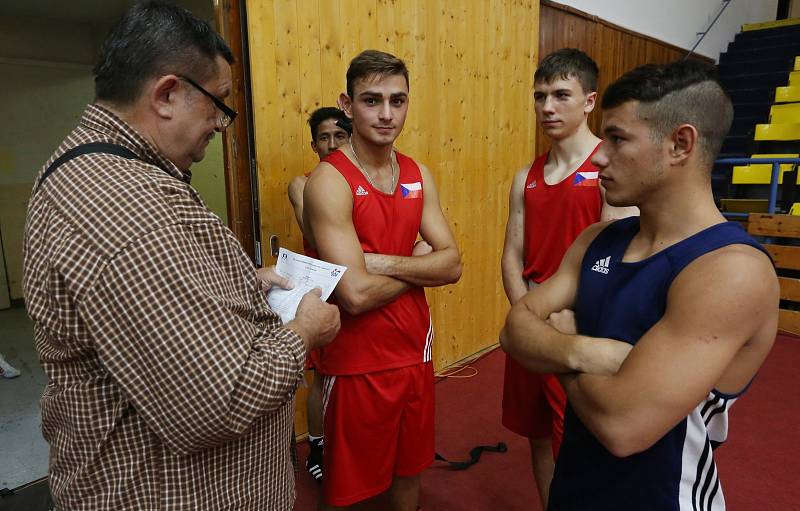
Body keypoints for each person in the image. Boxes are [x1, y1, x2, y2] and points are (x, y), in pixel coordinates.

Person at [22, 2, 340, 509]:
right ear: (168, 94)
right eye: (219, 104)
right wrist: (304, 331)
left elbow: (151, 293)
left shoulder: (100, 169)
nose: (221, 124)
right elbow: (218, 404)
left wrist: (235, 281)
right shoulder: (126, 210)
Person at [501, 59, 778, 510]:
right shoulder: (597, 239)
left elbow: (622, 427)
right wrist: (581, 350)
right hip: (574, 487)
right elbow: (514, 329)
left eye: (617, 138)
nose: (601, 156)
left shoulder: (731, 270)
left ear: (680, 144)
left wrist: (557, 338)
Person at [303, 50, 462, 510]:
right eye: (372, 100)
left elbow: (452, 264)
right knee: (350, 492)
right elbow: (353, 293)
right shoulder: (329, 182)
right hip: (356, 363)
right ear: (348, 105)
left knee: (409, 474)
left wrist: (380, 262)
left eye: (398, 100)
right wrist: (418, 265)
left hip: (414, 353)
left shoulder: (418, 174)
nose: (387, 114)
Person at [500, 48, 636, 507]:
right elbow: (512, 255)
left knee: (577, 442)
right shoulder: (526, 176)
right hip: (531, 319)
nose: (547, 107)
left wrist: (561, 327)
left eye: (561, 95)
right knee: (537, 437)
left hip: (576, 330)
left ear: (589, 101)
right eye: (540, 97)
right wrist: (526, 317)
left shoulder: (610, 170)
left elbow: (614, 264)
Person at [288, 106, 351, 484]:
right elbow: (316, 238)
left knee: (355, 377)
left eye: (339, 136)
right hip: (322, 290)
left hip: (355, 288)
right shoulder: (304, 183)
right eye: (323, 138)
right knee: (324, 378)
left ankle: (354, 445)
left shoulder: (361, 180)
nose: (331, 144)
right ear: (313, 145)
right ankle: (318, 447)